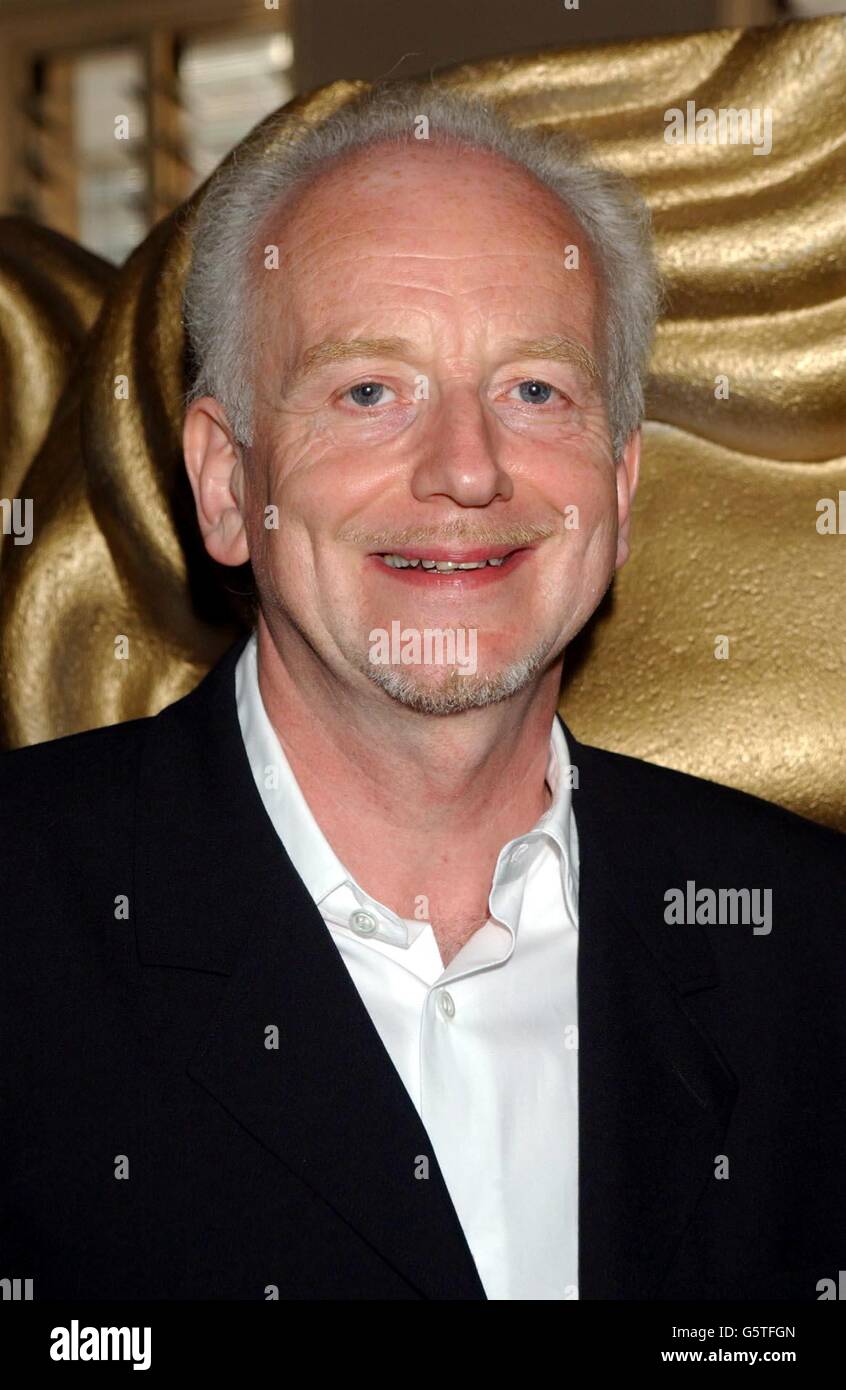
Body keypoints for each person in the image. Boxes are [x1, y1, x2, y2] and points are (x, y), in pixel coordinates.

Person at [1, 80, 844, 1302]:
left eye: (535, 390)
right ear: (228, 485)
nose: (467, 469)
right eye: (369, 391)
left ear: (616, 490)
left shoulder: (806, 948)